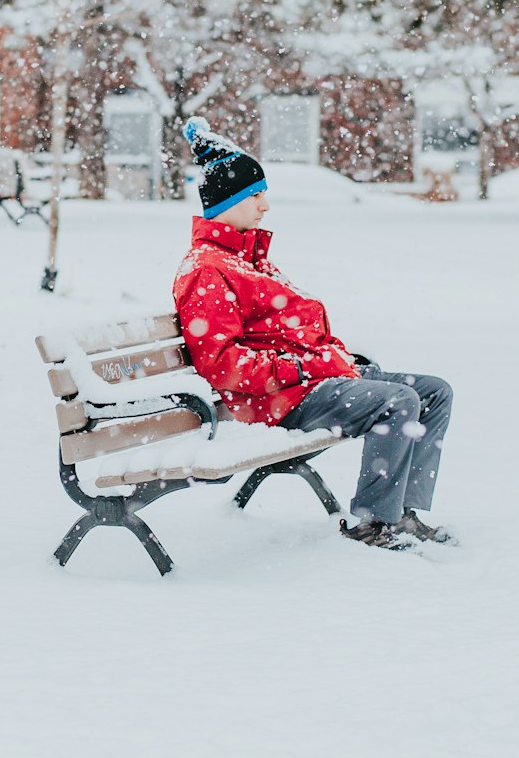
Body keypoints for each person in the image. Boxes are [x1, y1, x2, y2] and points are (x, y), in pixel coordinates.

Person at [172, 117, 454, 551]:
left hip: (312, 382)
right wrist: (307, 367)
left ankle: (401, 514)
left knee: (434, 392)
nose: (264, 206)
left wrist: (333, 360)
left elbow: (293, 328)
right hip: (277, 400)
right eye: (257, 195)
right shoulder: (208, 270)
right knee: (398, 401)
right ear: (230, 200)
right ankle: (374, 525)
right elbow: (223, 367)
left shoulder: (248, 259)